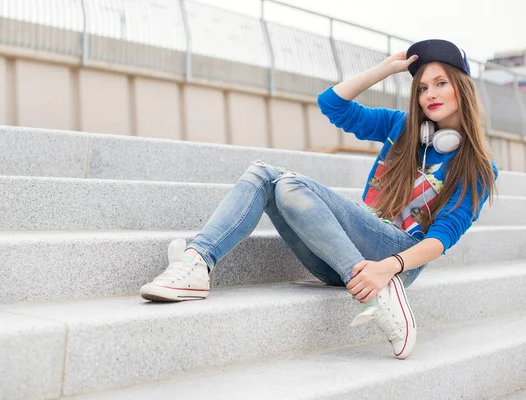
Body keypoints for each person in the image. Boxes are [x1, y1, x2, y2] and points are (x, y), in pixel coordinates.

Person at [140, 39, 498, 360]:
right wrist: (385, 69)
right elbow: (332, 105)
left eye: (440, 84)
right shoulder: (401, 127)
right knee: (265, 177)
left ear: (461, 89)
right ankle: (197, 263)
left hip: (398, 259)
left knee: (291, 185)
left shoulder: (477, 167)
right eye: (421, 87)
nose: (429, 95)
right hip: (347, 258)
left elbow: (440, 239)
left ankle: (383, 292)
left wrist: (387, 268)